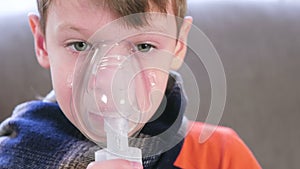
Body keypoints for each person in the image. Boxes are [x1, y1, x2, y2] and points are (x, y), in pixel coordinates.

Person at [0, 0, 262, 168]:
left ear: (178, 44)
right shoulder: (11, 158)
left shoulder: (221, 158)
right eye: (80, 45)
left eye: (143, 46)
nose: (109, 82)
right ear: (42, 42)